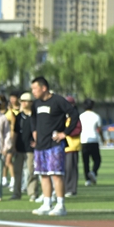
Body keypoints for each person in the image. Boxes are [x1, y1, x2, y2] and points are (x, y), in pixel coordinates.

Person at [30, 77, 78, 216]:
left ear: (44, 88)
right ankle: (46, 203)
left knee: (56, 174)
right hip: (41, 145)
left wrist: (65, 133)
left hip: (54, 145)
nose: (33, 91)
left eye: (35, 88)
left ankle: (60, 205)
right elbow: (33, 117)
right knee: (44, 175)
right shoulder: (36, 104)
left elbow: (74, 114)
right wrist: (34, 131)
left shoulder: (58, 100)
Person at [11, 93, 39, 201]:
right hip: (19, 147)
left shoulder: (35, 116)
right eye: (21, 101)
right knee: (17, 171)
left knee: (31, 171)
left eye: (25, 101)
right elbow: (15, 132)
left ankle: (32, 193)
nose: (23, 103)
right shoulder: (19, 116)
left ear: (31, 102)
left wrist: (37, 142)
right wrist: (13, 145)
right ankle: (16, 193)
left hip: (30, 149)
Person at [80, 99, 104, 186]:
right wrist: (102, 138)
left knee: (85, 162)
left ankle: (87, 180)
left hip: (84, 140)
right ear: (93, 106)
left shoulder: (81, 116)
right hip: (94, 140)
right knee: (97, 159)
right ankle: (93, 172)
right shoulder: (96, 116)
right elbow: (100, 129)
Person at [63, 96, 82, 197]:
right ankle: (63, 188)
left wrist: (65, 132)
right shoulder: (63, 116)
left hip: (72, 146)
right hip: (62, 146)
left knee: (71, 169)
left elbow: (77, 130)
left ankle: (71, 189)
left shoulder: (75, 116)